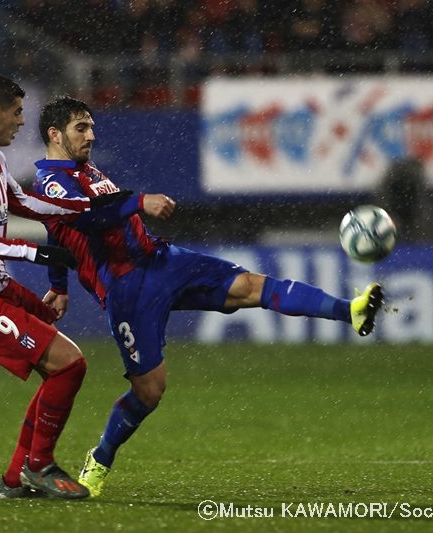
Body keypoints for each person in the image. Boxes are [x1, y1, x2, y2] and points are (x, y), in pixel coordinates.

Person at [31, 96, 384, 497]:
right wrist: (138, 202)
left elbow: (54, 230)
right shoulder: (50, 182)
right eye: (81, 128)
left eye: (92, 126)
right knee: (150, 391)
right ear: (54, 134)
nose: (91, 135)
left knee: (250, 287)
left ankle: (351, 312)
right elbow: (86, 217)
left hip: (161, 260)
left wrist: (58, 286)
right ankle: (101, 459)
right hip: (128, 291)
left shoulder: (82, 168)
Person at [0, 76, 126, 500]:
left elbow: (23, 203)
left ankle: (17, 476)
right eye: (18, 112)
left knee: (60, 367)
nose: (23, 122)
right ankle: (39, 466)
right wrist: (32, 252)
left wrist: (86, 207)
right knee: (68, 364)